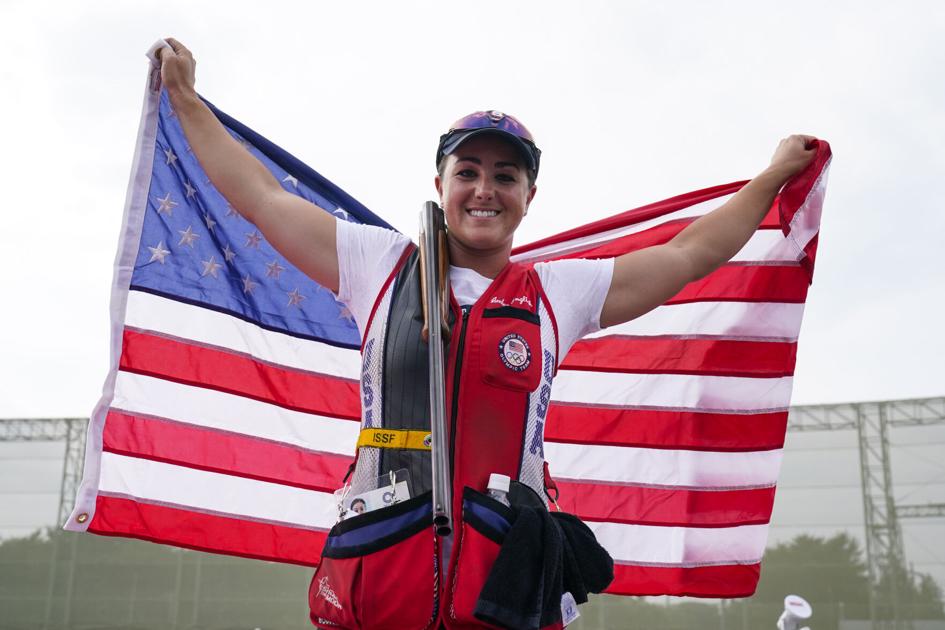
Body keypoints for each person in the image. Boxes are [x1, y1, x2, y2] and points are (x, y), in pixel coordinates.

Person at [157, 38, 817, 630]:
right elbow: (261, 198)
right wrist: (186, 101)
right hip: (382, 572)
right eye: (466, 172)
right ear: (439, 184)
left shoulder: (561, 293)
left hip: (504, 585)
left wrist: (770, 177)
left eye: (506, 176)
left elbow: (688, 255)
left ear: (529, 196)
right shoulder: (377, 266)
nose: (484, 190)